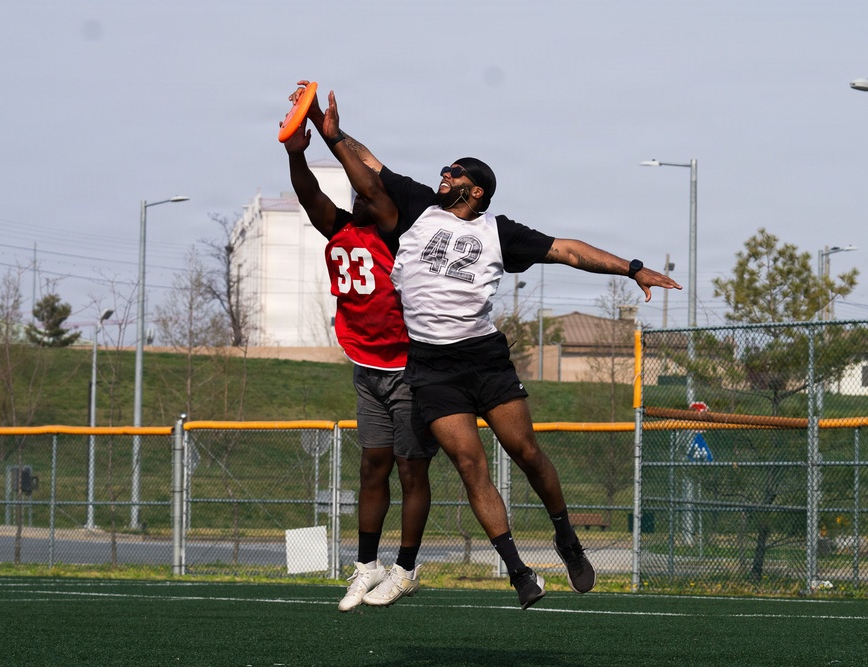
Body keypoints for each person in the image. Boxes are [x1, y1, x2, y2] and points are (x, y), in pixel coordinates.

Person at [313, 88, 682, 609]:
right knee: (469, 463)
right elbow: (370, 168)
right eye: (444, 168)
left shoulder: (498, 233)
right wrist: (332, 135)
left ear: (477, 191)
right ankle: (518, 571)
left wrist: (632, 267)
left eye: (455, 172)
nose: (445, 174)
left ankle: (567, 539)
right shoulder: (418, 208)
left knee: (526, 453)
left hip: (483, 358)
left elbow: (569, 250)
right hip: (432, 366)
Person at [282, 87, 439, 612]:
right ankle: (365, 567)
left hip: (409, 368)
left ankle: (406, 569)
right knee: (373, 466)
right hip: (366, 366)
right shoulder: (341, 227)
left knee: (410, 467)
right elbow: (308, 196)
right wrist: (296, 152)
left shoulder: (399, 233)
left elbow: (371, 179)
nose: (359, 195)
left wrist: (336, 140)